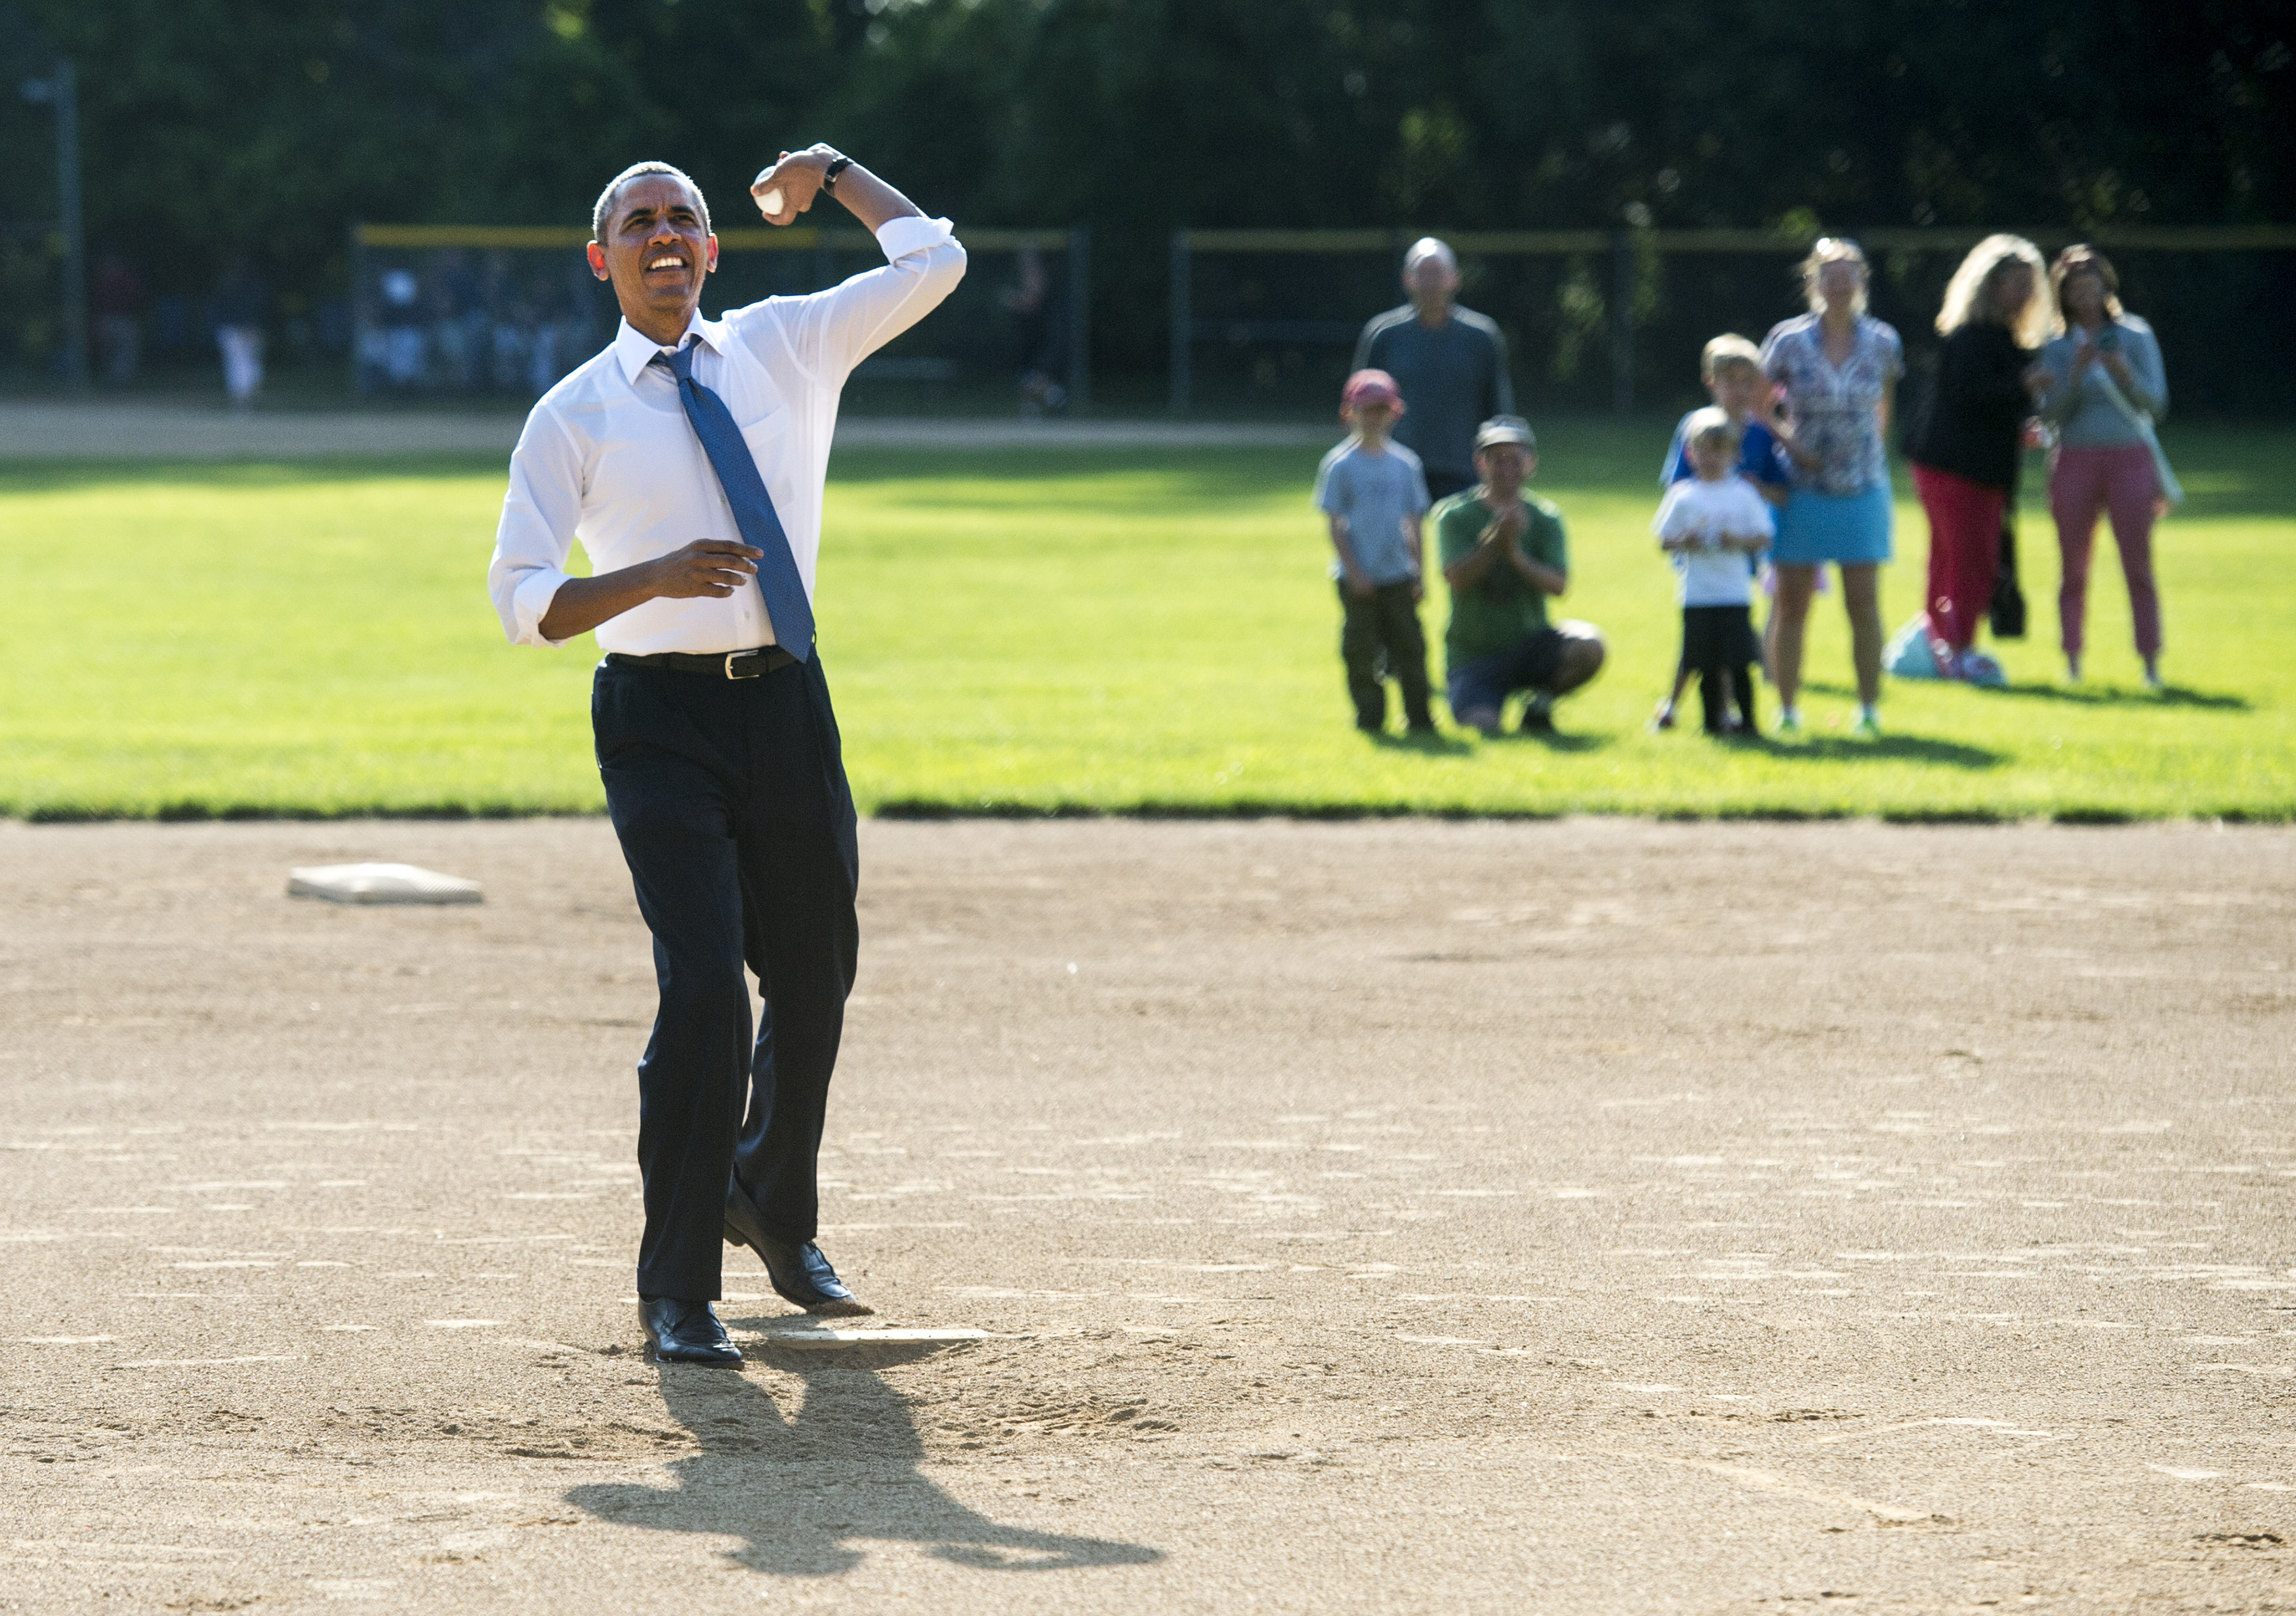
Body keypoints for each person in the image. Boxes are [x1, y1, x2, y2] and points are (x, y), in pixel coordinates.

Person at [486, 150, 964, 1365]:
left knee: (813, 975)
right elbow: (523, 601)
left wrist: (840, 172)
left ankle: (772, 1203)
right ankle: (677, 1287)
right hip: (658, 718)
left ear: (713, 250)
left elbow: (936, 258)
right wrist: (652, 575)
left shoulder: (785, 345)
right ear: (602, 259)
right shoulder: (574, 413)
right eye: (638, 222)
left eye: (684, 220)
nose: (664, 236)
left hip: (786, 703)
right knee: (700, 988)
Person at [1760, 238, 1903, 737]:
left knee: (1863, 603)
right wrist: (1789, 443)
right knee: (1793, 604)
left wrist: (1864, 452)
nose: (1839, 285)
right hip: (1801, 490)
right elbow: (1759, 403)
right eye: (1829, 276)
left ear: (1861, 282)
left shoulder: (1883, 341)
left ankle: (1868, 710)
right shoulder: (1788, 340)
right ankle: (1787, 710)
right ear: (1814, 282)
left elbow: (1884, 407)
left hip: (1863, 488)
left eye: (1848, 277)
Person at [1904, 234, 2052, 685]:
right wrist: (2024, 390)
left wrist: (2021, 419)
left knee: (1952, 558)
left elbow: (1991, 405)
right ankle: (1960, 649)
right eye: (2015, 283)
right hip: (1958, 468)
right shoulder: (1971, 338)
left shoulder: (2001, 338)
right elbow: (1971, 397)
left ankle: (1939, 643)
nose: (2026, 294)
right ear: (1990, 285)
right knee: (1971, 560)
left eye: (2030, 284)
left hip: (1967, 466)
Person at [2036, 246, 2171, 687]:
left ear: (2106, 288)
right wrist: (2074, 375)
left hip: (2129, 458)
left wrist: (2122, 371)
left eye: (2092, 287)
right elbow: (2051, 415)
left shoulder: (2135, 336)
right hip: (2074, 460)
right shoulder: (2055, 348)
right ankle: (2073, 660)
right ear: (2065, 296)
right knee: (2072, 568)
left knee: (2139, 565)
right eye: (2076, 289)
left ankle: (2150, 662)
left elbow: (2157, 403)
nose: (2086, 296)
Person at [1652, 334, 1795, 731]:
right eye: (1730, 381)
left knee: (1727, 635)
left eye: (1748, 382)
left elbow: (1781, 493)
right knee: (1702, 635)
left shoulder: (1761, 435)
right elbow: (1678, 489)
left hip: (1740, 551)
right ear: (1711, 381)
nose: (1739, 391)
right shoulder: (1694, 429)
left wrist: (1751, 487)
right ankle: (1678, 704)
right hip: (1698, 551)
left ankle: (1712, 709)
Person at [1435, 416, 1605, 736]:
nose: (1506, 469)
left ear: (1531, 463)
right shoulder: (1454, 515)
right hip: (1473, 656)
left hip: (1531, 646)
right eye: (1497, 460)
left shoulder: (1545, 518)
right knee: (1483, 728)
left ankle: (1538, 708)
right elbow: (1457, 580)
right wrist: (1493, 543)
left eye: (1515, 460)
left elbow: (1558, 586)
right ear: (1480, 464)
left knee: (1590, 646)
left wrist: (1514, 555)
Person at [1315, 368, 1434, 734]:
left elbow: (1413, 523)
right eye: (1365, 410)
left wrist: (1418, 572)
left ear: (1394, 414)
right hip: (1358, 577)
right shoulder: (1340, 465)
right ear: (1349, 414)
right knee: (1361, 651)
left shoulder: (1405, 464)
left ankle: (1420, 719)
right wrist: (1356, 573)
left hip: (1398, 573)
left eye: (1381, 410)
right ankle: (1370, 717)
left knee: (1410, 649)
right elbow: (1335, 526)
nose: (1373, 418)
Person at [1353, 238, 1515, 502]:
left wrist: (1503, 466)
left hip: (1464, 471)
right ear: (1407, 279)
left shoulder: (1482, 337)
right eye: (1422, 273)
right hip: (1395, 469)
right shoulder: (1383, 335)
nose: (1430, 282)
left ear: (1455, 279)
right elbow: (1360, 405)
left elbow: (1499, 411)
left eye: (1437, 273)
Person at [1654, 409, 1774, 737]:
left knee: (1739, 660)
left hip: (1734, 592)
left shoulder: (1743, 494)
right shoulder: (1683, 496)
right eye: (1704, 449)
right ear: (1690, 453)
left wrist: (1734, 540)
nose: (1712, 458)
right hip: (1697, 594)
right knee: (1703, 660)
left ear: (1735, 455)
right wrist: (1686, 540)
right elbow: (1664, 539)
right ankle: (1712, 722)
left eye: (1720, 450)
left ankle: (1748, 721)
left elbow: (1764, 536)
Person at [213, 257, 272, 409]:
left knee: (243, 367)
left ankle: (244, 402)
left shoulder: (232, 285)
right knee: (243, 367)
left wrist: (248, 327)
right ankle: (243, 402)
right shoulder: (241, 286)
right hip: (235, 331)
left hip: (238, 330)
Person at [92, 256, 144, 388]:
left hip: (117, 319)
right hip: (117, 319)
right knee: (120, 352)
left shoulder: (107, 280)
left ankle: (118, 381)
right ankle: (118, 381)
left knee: (121, 352)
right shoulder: (120, 280)